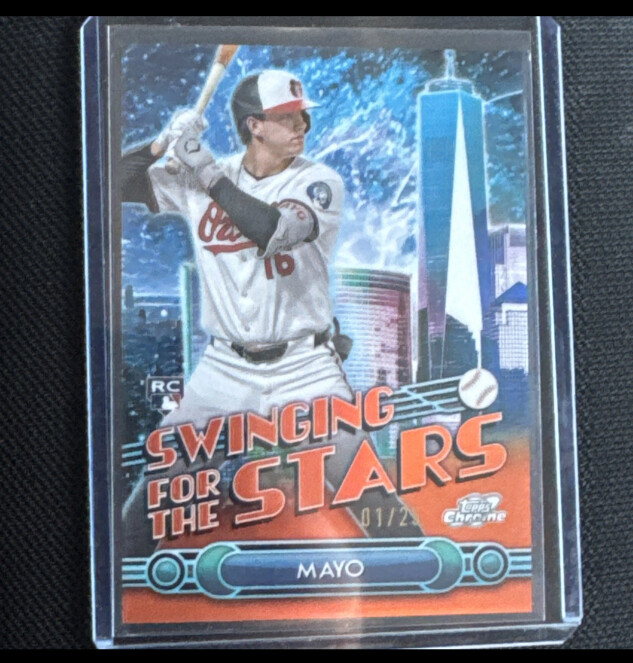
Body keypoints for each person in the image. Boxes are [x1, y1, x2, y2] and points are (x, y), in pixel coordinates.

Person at [121, 70, 423, 553]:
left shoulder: (318, 181)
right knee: (158, 487)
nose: (301, 124)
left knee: (364, 485)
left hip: (304, 365)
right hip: (223, 368)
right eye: (286, 117)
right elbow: (109, 183)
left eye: (302, 115)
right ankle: (121, 582)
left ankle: (426, 571)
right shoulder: (204, 176)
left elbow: (272, 230)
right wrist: (159, 145)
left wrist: (206, 172)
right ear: (254, 125)